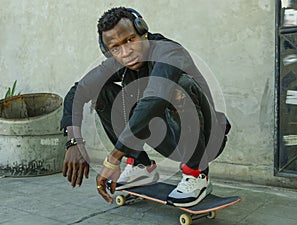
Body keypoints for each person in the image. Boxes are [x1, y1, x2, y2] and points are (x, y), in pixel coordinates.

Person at [61, 7, 231, 207]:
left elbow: (155, 98)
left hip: (206, 137)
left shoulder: (169, 52)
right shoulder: (121, 63)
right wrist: (74, 141)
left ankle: (197, 175)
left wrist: (113, 158)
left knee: (177, 88)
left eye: (130, 40)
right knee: (101, 92)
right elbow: (78, 91)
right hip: (167, 138)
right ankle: (140, 166)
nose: (126, 52)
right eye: (116, 48)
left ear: (143, 31)